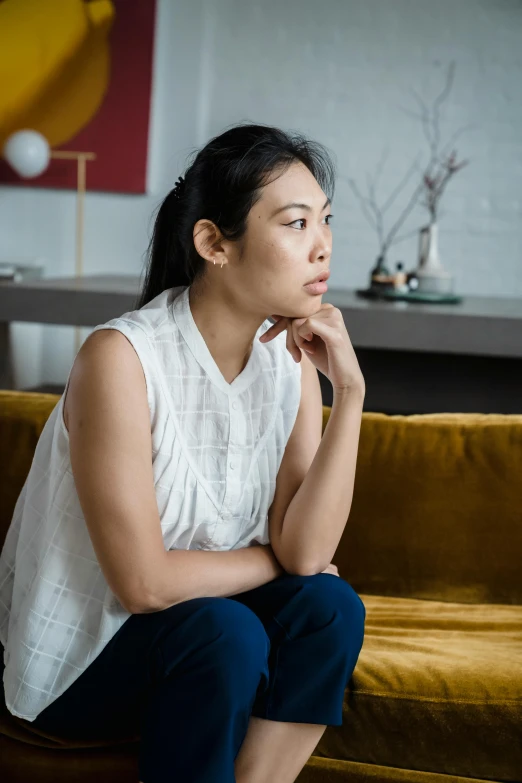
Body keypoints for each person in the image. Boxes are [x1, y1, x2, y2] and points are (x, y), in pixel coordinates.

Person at [0, 122, 367, 783]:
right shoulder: (121, 358)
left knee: (331, 609)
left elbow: (307, 556)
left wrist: (352, 391)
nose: (323, 246)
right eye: (295, 222)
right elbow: (144, 583)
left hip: (202, 629)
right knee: (228, 632)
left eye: (326, 220)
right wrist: (270, 560)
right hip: (86, 655)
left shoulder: (291, 363)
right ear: (213, 242)